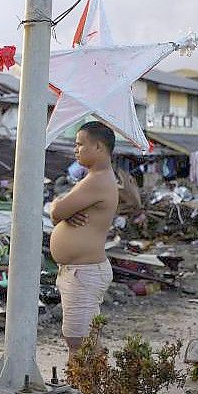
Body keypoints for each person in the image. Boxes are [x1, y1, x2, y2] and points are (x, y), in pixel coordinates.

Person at [49, 121, 118, 359]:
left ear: (98, 147)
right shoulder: (94, 178)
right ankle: (88, 387)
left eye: (80, 144)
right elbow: (59, 211)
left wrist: (60, 207)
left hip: (84, 271)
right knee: (82, 338)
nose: (75, 149)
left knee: (79, 339)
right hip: (80, 270)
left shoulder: (98, 180)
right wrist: (62, 208)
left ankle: (85, 389)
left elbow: (56, 213)